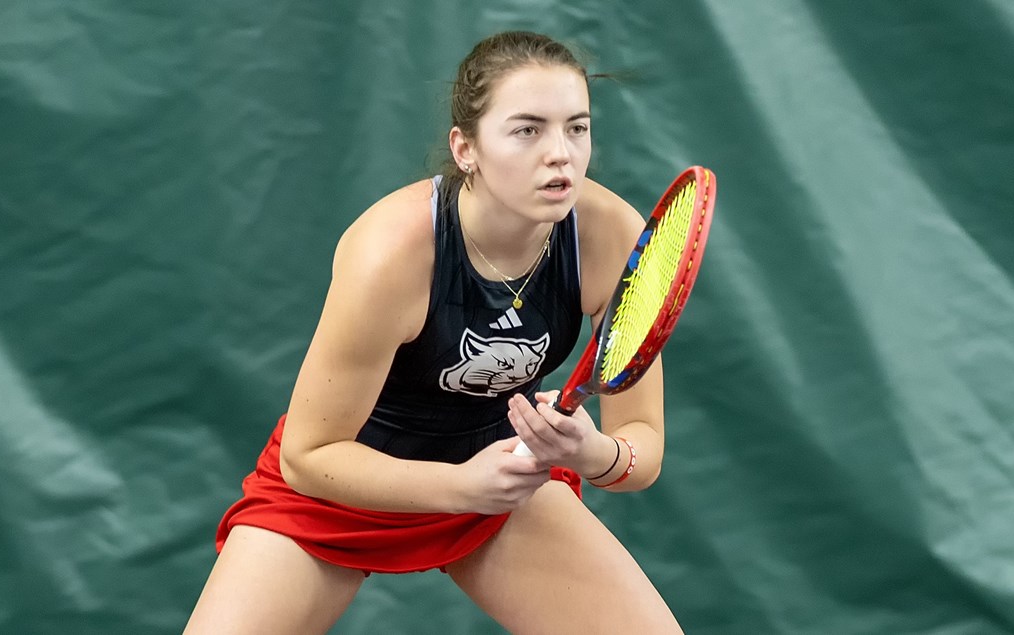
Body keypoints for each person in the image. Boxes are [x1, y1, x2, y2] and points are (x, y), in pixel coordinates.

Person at [184, 30, 683, 635]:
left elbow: (642, 450)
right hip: (348, 480)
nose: (561, 154)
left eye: (576, 127)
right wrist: (457, 485)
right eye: (527, 129)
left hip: (499, 473)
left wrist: (589, 451)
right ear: (465, 147)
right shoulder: (391, 252)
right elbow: (308, 457)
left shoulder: (609, 237)